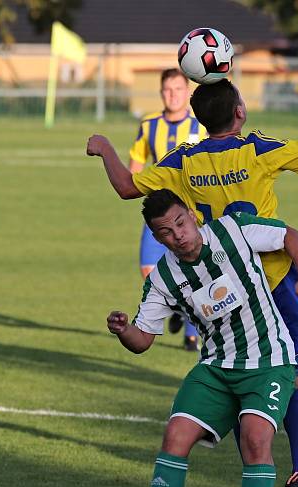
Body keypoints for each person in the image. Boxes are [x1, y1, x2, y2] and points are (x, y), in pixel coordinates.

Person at [87, 80, 298, 487]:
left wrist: (106, 147)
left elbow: (128, 188)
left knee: (237, 375)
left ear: (199, 118)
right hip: (276, 274)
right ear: (240, 112)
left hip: (221, 280)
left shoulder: (186, 159)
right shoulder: (258, 148)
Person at [108, 189, 298, 487]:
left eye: (181, 223)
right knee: (175, 435)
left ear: (191, 215)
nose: (179, 235)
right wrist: (123, 331)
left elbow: (288, 234)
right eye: (166, 232)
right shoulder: (165, 277)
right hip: (217, 367)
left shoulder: (232, 231)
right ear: (157, 239)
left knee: (255, 439)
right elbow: (142, 341)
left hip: (270, 360)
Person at [129, 68, 206, 351]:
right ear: (161, 93)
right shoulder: (149, 125)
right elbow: (136, 162)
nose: (172, 95)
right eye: (167, 90)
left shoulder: (200, 126)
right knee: (148, 269)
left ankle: (191, 331)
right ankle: (179, 310)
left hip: (190, 214)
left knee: (193, 268)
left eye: (178, 89)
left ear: (187, 93)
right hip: (159, 213)